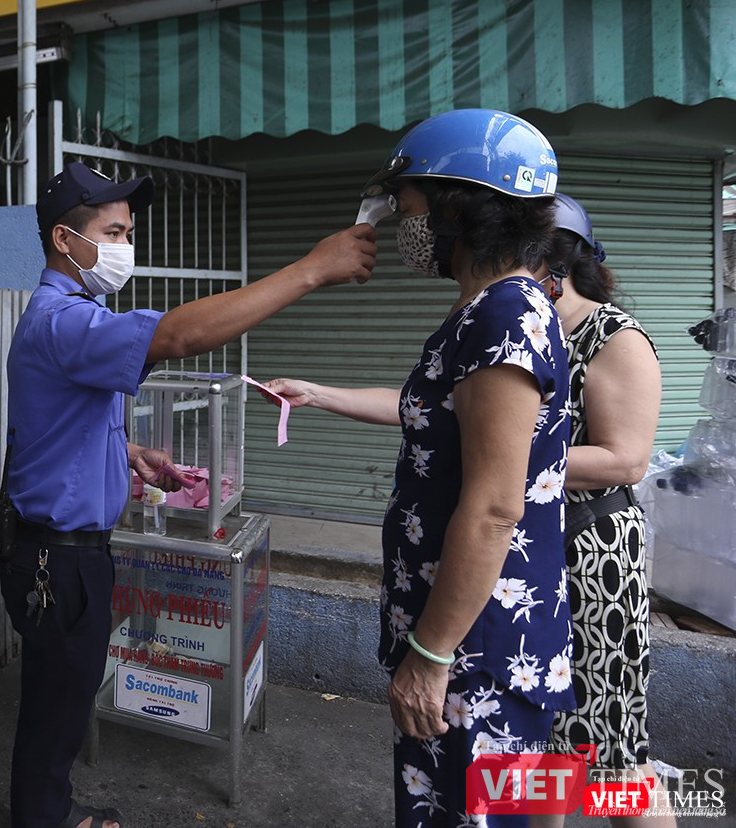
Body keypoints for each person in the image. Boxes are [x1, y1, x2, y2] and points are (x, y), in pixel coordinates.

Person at [2, 160, 377, 828]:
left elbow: (53, 428)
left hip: (63, 548)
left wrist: (131, 453)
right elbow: (178, 334)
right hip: (56, 558)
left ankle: (48, 808)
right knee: (58, 701)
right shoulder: (60, 320)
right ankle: (44, 817)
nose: (125, 246)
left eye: (128, 232)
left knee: (62, 693)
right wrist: (311, 269)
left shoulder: (75, 318)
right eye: (113, 232)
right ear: (65, 239)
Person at [260, 109, 576, 826]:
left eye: (408, 206)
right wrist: (317, 392)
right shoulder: (494, 309)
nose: (404, 224)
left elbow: (496, 507)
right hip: (474, 642)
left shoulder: (503, 315)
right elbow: (430, 412)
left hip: (475, 654)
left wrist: (430, 654)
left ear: (456, 207)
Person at [530, 195, 672, 828]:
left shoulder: (615, 337)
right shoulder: (527, 334)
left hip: (594, 559)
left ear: (553, 264)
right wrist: (319, 394)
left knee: (612, 752)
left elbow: (625, 460)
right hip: (533, 547)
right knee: (541, 748)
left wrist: (512, 454)